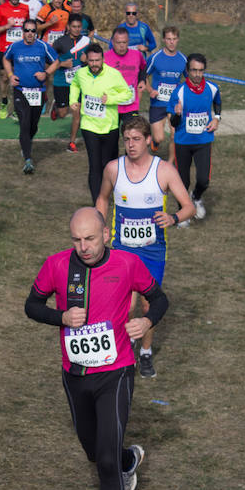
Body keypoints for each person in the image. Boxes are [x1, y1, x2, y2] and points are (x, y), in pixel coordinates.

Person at [25, 207, 168, 490]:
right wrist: (60, 317)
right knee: (94, 452)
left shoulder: (128, 264)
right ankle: (128, 459)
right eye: (76, 240)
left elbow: (161, 298)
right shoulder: (56, 265)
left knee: (105, 462)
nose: (83, 247)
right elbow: (31, 305)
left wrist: (146, 319)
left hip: (116, 371)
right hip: (74, 376)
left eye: (90, 238)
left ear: (106, 234)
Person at [95, 117, 194, 377]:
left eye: (136, 139)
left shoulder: (164, 171)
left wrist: (173, 218)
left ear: (149, 140)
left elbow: (189, 207)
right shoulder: (113, 169)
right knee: (124, 304)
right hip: (121, 250)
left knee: (149, 307)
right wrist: (99, 228)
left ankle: (146, 352)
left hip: (152, 252)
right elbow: (103, 199)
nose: (131, 145)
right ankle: (123, 346)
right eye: (126, 140)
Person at [69, 43, 133, 203]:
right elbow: (75, 84)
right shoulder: (81, 73)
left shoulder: (114, 74)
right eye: (91, 61)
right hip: (89, 126)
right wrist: (73, 100)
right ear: (87, 60)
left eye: (97, 60)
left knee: (108, 164)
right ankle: (97, 202)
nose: (94, 64)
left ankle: (109, 193)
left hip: (110, 127)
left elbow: (127, 93)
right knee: (95, 165)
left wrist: (110, 99)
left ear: (103, 59)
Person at [167, 53, 222, 225]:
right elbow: (173, 123)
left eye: (200, 71)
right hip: (183, 141)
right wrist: (176, 114)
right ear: (187, 71)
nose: (197, 75)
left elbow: (218, 102)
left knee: (204, 179)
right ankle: (183, 214)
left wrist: (217, 118)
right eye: (194, 71)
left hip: (203, 140)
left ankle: (196, 197)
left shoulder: (212, 88)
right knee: (182, 180)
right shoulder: (179, 92)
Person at [3, 20, 57, 173]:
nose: (30, 33)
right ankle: (28, 159)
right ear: (23, 31)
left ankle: (26, 142)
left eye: (33, 31)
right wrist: (10, 75)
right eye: (27, 30)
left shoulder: (43, 46)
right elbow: (6, 59)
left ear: (36, 33)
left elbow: (56, 61)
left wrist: (45, 73)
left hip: (37, 92)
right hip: (20, 91)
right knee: (24, 122)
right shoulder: (15, 46)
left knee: (33, 125)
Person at [145, 26, 185, 157]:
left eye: (174, 39)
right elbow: (143, 76)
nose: (171, 42)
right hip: (158, 103)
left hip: (173, 104)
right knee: (159, 138)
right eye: (168, 39)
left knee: (174, 135)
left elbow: (188, 80)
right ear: (164, 40)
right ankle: (155, 142)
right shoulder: (155, 57)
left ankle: (170, 163)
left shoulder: (183, 60)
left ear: (178, 40)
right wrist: (150, 90)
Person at [0, 0, 30, 118]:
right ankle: (3, 101)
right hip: (5, 49)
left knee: (19, 78)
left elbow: (27, 28)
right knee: (5, 77)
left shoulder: (25, 9)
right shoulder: (0, 9)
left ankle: (16, 107)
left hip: (20, 49)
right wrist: (7, 26)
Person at [47, 13, 90, 131]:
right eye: (74, 27)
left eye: (79, 27)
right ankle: (56, 106)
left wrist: (86, 61)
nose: (77, 29)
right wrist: (62, 64)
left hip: (79, 82)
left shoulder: (86, 41)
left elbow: (93, 60)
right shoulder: (59, 42)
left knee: (77, 111)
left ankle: (73, 140)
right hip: (62, 82)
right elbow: (49, 62)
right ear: (68, 27)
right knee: (62, 114)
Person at [104, 27, 146, 127]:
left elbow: (143, 68)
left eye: (124, 42)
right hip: (112, 105)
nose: (122, 46)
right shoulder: (105, 57)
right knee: (111, 138)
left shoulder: (137, 55)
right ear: (112, 42)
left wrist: (142, 80)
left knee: (132, 133)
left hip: (131, 104)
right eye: (118, 42)